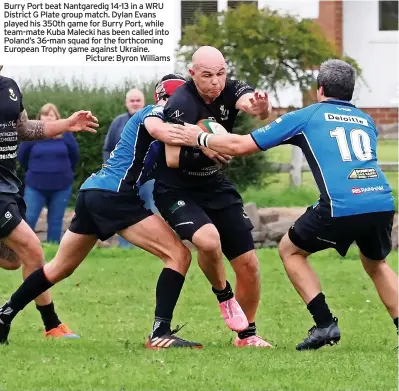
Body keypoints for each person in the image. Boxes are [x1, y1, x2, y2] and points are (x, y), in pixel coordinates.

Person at [169, 58, 398, 350]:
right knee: (377, 264)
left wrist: (198, 136)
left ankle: (325, 323)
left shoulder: (308, 116)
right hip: (380, 200)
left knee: (290, 249)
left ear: (320, 89)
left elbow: (240, 146)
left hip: (342, 204)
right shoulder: (366, 121)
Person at [0, 74, 206, 349]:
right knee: (178, 255)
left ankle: (4, 315)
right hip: (115, 196)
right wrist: (205, 140)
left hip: (92, 192)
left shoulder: (165, 115)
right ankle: (160, 333)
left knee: (58, 268)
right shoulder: (160, 112)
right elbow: (158, 128)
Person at [153, 46, 273, 348]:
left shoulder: (230, 89)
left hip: (214, 185)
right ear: (193, 73)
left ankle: (246, 335)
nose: (215, 82)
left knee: (249, 264)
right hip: (176, 188)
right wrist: (205, 146)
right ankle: (223, 294)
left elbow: (249, 103)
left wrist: (260, 109)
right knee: (207, 241)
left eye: (220, 74)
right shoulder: (181, 103)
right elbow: (171, 158)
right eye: (207, 75)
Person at [0, 68, 98, 340]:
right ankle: (51, 324)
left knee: (12, 260)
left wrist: (65, 124)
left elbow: (23, 128)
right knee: (32, 250)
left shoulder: (9, 88)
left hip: (9, 186)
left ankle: (50, 324)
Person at [18, 103, 79, 243]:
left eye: (51, 115)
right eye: (45, 115)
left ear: (57, 117)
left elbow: (74, 156)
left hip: (62, 186)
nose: (48, 118)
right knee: (29, 218)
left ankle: (53, 251)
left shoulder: (66, 135)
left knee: (56, 220)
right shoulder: (31, 136)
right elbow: (22, 158)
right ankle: (24, 248)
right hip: (35, 186)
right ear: (40, 117)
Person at [103, 88, 155, 248]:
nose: (135, 103)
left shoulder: (154, 120)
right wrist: (109, 171)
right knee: (123, 212)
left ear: (143, 102)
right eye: (132, 100)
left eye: (138, 100)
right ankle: (126, 248)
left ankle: (148, 248)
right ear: (126, 103)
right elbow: (107, 148)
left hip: (148, 178)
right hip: (123, 179)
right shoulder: (118, 122)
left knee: (149, 214)